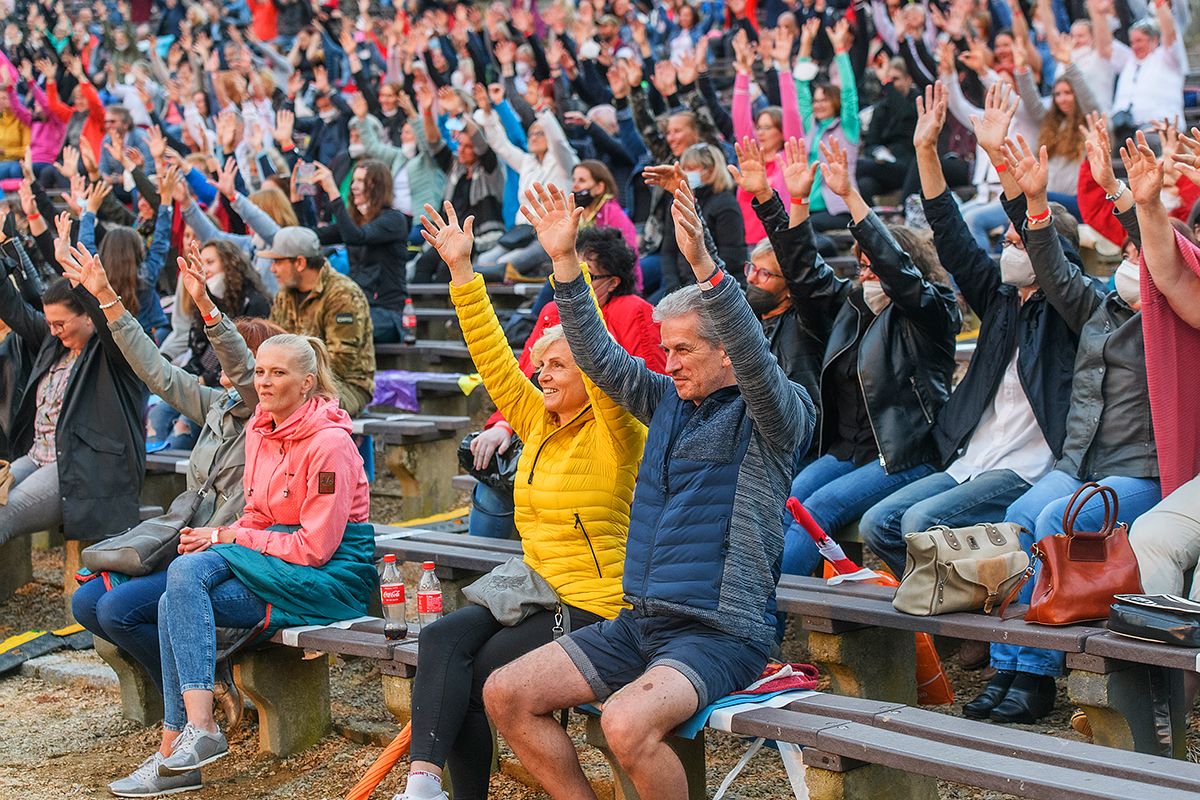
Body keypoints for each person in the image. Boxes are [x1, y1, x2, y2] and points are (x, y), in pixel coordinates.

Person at [483, 182, 814, 800]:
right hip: (640, 621)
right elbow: (599, 357)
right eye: (666, 349)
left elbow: (757, 357)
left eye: (684, 350)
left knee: (624, 724)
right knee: (507, 693)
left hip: (721, 633)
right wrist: (563, 265)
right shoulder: (665, 400)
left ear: (728, 352)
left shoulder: (774, 412)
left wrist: (706, 267)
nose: (670, 362)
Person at [389, 199, 648, 800]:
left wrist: (565, 261)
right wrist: (460, 272)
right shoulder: (539, 421)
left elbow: (599, 351)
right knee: (440, 641)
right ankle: (426, 785)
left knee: (479, 675)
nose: (544, 374)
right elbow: (496, 364)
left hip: (597, 605)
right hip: (539, 586)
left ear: (592, 367)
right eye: (542, 365)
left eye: (560, 364)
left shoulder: (619, 427)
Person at [110, 328, 374, 795]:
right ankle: (187, 741)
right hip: (274, 556)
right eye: (260, 372)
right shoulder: (260, 428)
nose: (265, 382)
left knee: (181, 586)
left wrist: (227, 536)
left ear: (307, 382)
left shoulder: (331, 444)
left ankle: (187, 742)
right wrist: (226, 539)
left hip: (328, 575)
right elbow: (256, 513)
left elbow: (315, 548)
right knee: (179, 587)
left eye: (278, 373)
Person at [965, 132, 1162, 726]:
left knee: (1056, 519)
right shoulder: (1096, 307)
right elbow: (1051, 269)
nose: (1130, 262)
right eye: (1124, 255)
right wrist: (1036, 207)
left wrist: (1118, 194)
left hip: (1142, 471)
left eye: (1138, 254)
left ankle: (1039, 675)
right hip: (1081, 465)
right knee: (1020, 516)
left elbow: (1157, 241)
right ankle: (1011, 666)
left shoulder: (1171, 319)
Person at [67, 244, 283, 756]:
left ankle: (190, 706)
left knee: (119, 609)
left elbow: (245, 368)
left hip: (221, 555)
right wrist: (107, 298)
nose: (221, 369)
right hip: (180, 543)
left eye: (238, 364)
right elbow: (155, 371)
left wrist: (209, 310)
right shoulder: (218, 405)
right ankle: (202, 682)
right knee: (86, 603)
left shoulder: (265, 415)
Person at [859, 83, 1078, 581]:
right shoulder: (999, 298)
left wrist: (1000, 157)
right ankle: (960, 612)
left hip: (1027, 464)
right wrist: (924, 151)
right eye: (1005, 240)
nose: (1008, 248)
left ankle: (970, 611)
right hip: (971, 455)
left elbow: (1041, 242)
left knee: (920, 521)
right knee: (880, 525)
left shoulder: (1070, 309)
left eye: (1019, 241)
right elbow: (951, 234)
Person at [777, 137, 961, 577]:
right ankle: (765, 617)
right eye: (860, 267)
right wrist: (796, 201)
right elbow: (803, 272)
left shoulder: (929, 312)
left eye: (872, 267)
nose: (866, 275)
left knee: (814, 511)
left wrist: (849, 196)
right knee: (787, 496)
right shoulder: (851, 306)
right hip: (849, 450)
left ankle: (767, 621)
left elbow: (895, 268)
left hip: (905, 454)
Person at [467, 224, 663, 540]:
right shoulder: (550, 310)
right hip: (545, 433)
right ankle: (479, 576)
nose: (572, 278)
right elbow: (523, 377)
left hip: (607, 443)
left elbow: (651, 390)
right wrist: (503, 425)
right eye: (567, 269)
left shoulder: (633, 311)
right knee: (491, 479)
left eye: (587, 275)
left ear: (613, 282)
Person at [0, 251, 146, 546]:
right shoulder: (55, 345)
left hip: (82, 469)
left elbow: (110, 323)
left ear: (89, 318)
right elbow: (13, 308)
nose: (52, 331)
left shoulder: (114, 354)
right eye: (50, 323)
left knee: (4, 515)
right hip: (36, 457)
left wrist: (88, 288)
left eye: (60, 324)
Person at [264, 226, 375, 417]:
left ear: (299, 262)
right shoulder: (285, 294)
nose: (272, 269)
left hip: (346, 385)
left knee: (299, 407)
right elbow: (274, 344)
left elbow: (340, 361)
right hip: (294, 380)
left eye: (278, 261)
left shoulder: (343, 295)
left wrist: (292, 381)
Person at [308, 160, 410, 343]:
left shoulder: (394, 220)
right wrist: (298, 201)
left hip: (386, 315)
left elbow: (356, 237)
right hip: (355, 307)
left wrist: (333, 192)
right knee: (312, 322)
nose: (354, 187)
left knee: (340, 323)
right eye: (353, 181)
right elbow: (311, 236)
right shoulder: (355, 222)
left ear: (377, 186)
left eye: (361, 181)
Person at [654, 143, 745, 301]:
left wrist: (695, 289)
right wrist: (674, 289)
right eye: (685, 168)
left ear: (710, 170)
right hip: (680, 285)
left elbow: (731, 259)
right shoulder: (678, 201)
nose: (687, 173)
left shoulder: (726, 205)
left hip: (712, 287)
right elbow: (668, 251)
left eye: (692, 168)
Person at [795, 18, 860, 232]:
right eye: (816, 100)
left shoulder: (848, 127)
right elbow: (801, 89)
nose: (818, 104)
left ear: (835, 100)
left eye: (824, 99)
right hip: (809, 208)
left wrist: (840, 50)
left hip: (838, 209)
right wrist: (805, 44)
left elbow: (849, 93)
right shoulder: (811, 126)